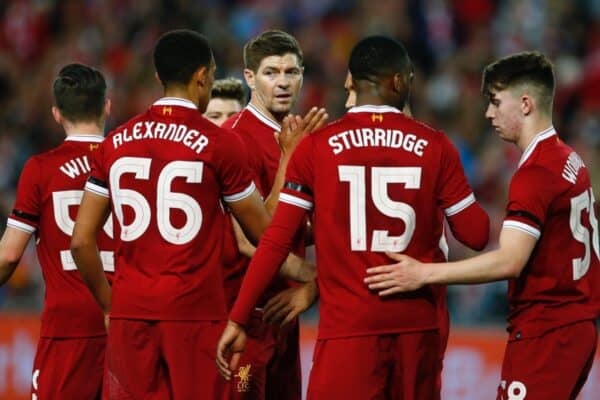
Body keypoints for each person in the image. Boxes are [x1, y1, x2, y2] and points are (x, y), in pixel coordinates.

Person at [217, 35, 489, 399]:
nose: (283, 82)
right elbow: (476, 233)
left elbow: (276, 238)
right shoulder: (435, 145)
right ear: (399, 81)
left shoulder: (316, 146)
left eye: (291, 72)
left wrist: (238, 316)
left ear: (352, 84)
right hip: (416, 329)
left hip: (345, 327)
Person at [364, 51, 600, 400]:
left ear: (524, 104)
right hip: (573, 326)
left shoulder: (535, 174)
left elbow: (509, 261)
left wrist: (424, 273)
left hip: (547, 333)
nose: (489, 113)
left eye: (495, 101)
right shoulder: (570, 158)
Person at [70, 29, 273, 400]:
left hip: (131, 315)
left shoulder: (114, 143)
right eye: (211, 75)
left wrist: (110, 306)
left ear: (159, 77)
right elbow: (267, 236)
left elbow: (81, 241)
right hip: (195, 316)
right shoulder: (222, 144)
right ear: (202, 76)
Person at [221, 30, 326, 400]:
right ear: (249, 77)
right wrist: (319, 277)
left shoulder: (300, 134)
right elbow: (253, 235)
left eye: (291, 72)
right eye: (271, 72)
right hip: (246, 321)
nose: (283, 82)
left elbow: (303, 226)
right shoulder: (235, 139)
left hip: (285, 316)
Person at [0, 63, 113, 399]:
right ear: (107, 106)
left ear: (56, 114)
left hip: (68, 326)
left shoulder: (40, 169)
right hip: (129, 320)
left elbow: (8, 255)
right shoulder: (130, 161)